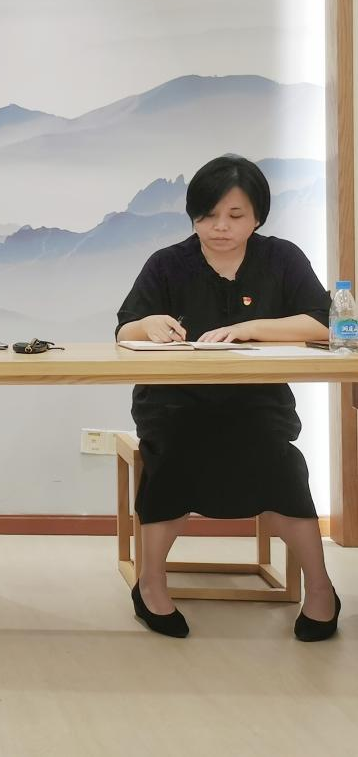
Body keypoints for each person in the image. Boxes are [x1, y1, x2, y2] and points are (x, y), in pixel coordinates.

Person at [116, 154, 339, 640]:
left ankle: (321, 589)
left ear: (258, 216)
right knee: (171, 459)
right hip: (175, 403)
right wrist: (148, 324)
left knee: (279, 464)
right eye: (208, 215)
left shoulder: (282, 258)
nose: (220, 227)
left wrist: (252, 328)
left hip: (256, 403)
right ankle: (150, 585)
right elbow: (125, 329)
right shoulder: (168, 264)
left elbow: (323, 322)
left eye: (235, 215)